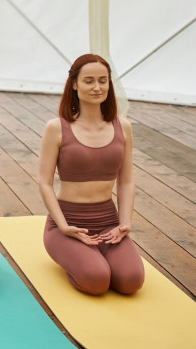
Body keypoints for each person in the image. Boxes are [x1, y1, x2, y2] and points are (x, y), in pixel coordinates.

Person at [39, 54, 144, 295]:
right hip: (66, 224)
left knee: (132, 281)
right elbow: (44, 183)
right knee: (97, 281)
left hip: (108, 222)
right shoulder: (57, 127)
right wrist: (64, 226)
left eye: (103, 81)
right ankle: (81, 260)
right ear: (74, 84)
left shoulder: (122, 126)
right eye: (89, 81)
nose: (97, 87)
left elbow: (126, 181)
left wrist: (125, 223)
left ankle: (95, 258)